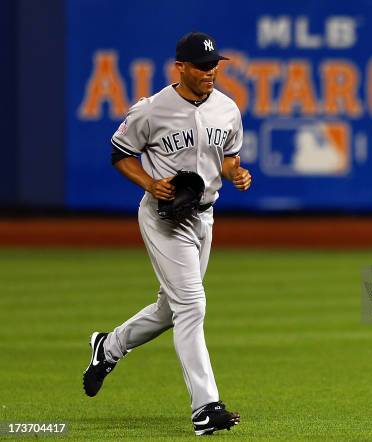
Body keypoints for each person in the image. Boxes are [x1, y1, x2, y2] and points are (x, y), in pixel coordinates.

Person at [82, 31, 251, 436]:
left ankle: (108, 347)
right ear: (182, 67)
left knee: (169, 309)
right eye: (203, 65)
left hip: (204, 216)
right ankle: (206, 408)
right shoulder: (153, 109)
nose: (211, 72)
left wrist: (237, 173)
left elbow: (228, 157)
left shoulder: (227, 109)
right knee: (192, 305)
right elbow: (121, 153)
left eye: (215, 65)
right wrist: (148, 182)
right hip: (163, 219)